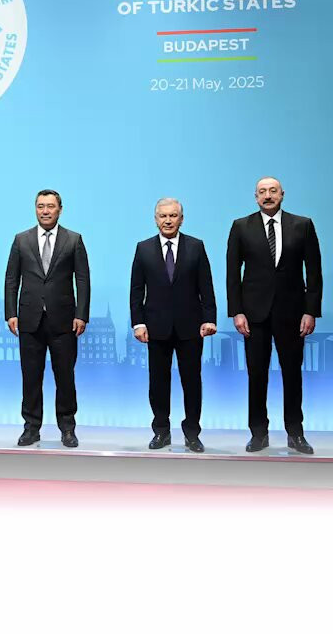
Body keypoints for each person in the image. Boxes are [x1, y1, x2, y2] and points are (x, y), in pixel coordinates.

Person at [226, 177, 322, 454]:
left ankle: (295, 433)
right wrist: (237, 311)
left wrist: (310, 311)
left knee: (292, 374)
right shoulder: (241, 226)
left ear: (282, 194)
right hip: (253, 314)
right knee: (257, 375)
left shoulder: (302, 225)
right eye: (262, 192)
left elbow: (314, 272)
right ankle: (258, 433)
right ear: (255, 197)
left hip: (293, 313)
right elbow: (232, 273)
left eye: (273, 191)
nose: (267, 196)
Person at [130, 198, 217, 452]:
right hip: (156, 327)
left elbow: (206, 287)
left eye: (173, 216)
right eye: (163, 216)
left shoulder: (196, 246)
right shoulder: (143, 248)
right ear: (155, 219)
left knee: (192, 382)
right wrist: (138, 323)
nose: (168, 220)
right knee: (158, 382)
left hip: (191, 327)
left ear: (181, 219)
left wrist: (209, 318)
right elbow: (136, 291)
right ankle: (161, 431)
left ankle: (192, 433)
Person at [4, 189, 90, 448]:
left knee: (65, 377)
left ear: (60, 210)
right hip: (29, 320)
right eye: (40, 206)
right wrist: (11, 313)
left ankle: (67, 428)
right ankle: (31, 428)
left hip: (64, 321)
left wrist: (81, 314)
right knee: (31, 377)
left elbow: (82, 280)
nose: (45, 211)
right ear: (35, 209)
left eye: (50, 206)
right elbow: (11, 279)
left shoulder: (73, 240)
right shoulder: (21, 240)